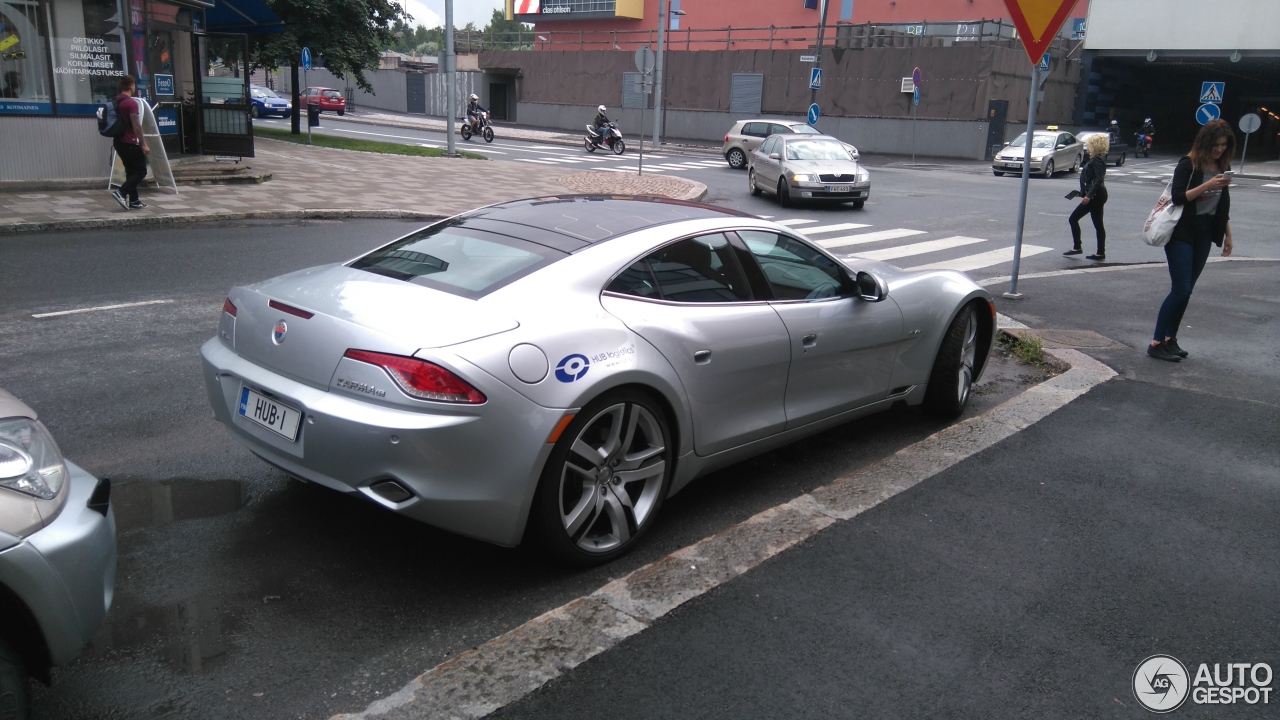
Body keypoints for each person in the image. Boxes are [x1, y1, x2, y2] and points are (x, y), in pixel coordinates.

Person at [1147, 118, 1234, 362]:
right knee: (1181, 288)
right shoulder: (1188, 164)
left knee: (1188, 291)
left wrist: (1228, 233)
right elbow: (1178, 198)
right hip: (1182, 232)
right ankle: (1155, 342)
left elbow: (1221, 205)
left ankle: (1169, 339)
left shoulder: (1221, 166)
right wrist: (1208, 184)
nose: (1219, 149)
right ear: (1205, 142)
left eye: (1223, 145)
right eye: (1215, 144)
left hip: (1206, 232)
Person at [1064, 133, 1109, 260]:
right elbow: (1092, 179)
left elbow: (1099, 179)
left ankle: (1077, 247)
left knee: (1073, 219)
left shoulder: (1097, 160)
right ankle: (1100, 253)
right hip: (1097, 195)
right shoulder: (1097, 159)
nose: (1087, 147)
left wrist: (1089, 195)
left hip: (1096, 196)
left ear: (1095, 145)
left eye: (1089, 144)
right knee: (1098, 224)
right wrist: (1082, 193)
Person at [109, 75, 149, 211]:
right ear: (132, 86)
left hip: (118, 141)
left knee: (131, 171)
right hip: (129, 142)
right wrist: (143, 144)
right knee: (141, 170)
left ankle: (134, 201)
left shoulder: (116, 100)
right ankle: (121, 192)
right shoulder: (131, 103)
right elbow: (136, 125)